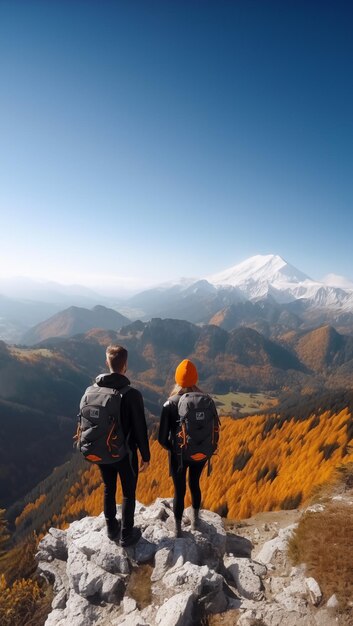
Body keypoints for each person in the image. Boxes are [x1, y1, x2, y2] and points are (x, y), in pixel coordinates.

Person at [92, 345, 150, 546]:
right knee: (128, 493)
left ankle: (111, 528)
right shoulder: (131, 394)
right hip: (125, 454)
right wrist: (146, 455)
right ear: (125, 365)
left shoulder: (94, 391)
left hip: (101, 450)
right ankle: (126, 534)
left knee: (109, 487)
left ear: (107, 363)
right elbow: (140, 428)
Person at [158, 359, 219, 537]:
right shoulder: (206, 401)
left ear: (177, 379)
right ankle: (195, 522)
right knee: (194, 484)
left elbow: (162, 438)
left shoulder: (170, 404)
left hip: (179, 455)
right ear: (195, 379)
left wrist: (174, 449)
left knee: (179, 489)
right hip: (201, 452)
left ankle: (177, 529)